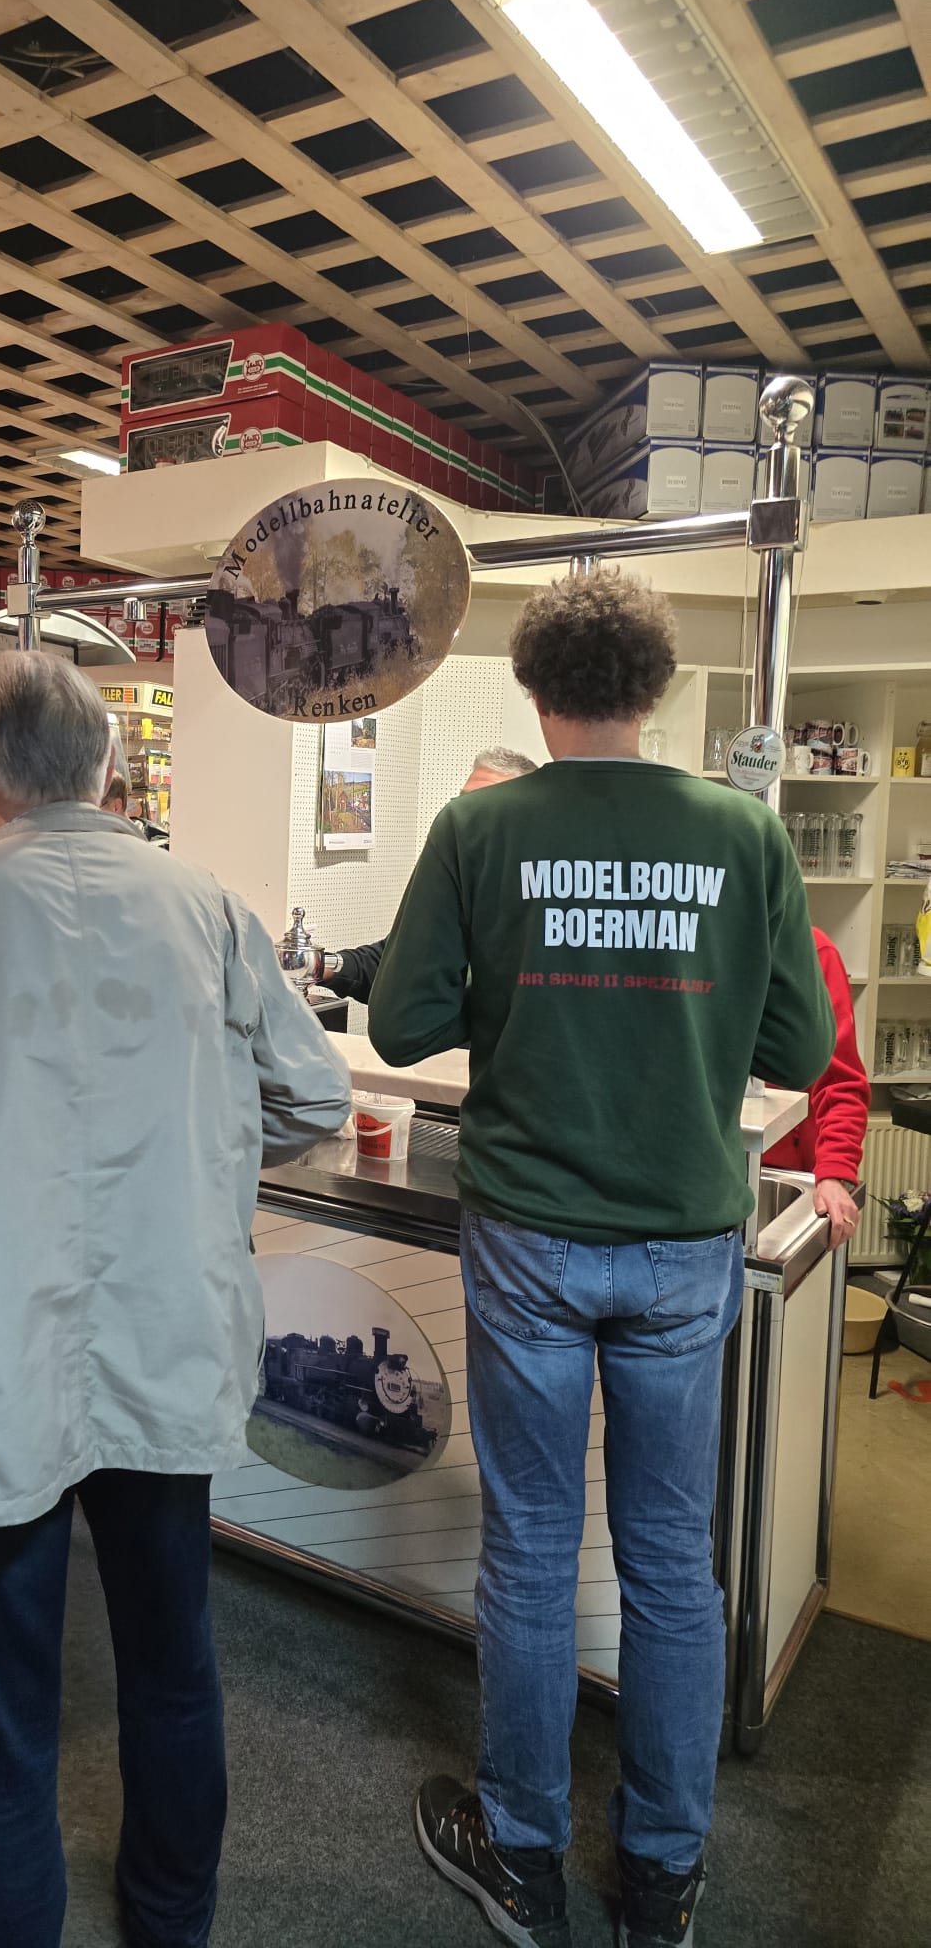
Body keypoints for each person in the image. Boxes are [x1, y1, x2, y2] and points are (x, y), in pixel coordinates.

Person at [0, 650, 351, 1948]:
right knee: (172, 1662)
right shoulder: (207, 907)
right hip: (169, 1341)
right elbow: (315, 1098)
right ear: (110, 767)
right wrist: (205, 1164)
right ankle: (173, 1921)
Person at [368, 571, 835, 1948]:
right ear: (656, 689)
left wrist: (520, 994)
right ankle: (665, 1875)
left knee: (528, 1548)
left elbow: (400, 1026)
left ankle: (523, 1857)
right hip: (687, 1238)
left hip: (529, 1233)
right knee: (670, 1563)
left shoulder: (480, 827)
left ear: (534, 687)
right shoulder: (743, 835)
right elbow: (800, 1054)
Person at [300, 748, 539, 1004]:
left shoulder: (539, 900)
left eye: (485, 807)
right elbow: (401, 963)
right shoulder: (457, 882)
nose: (466, 819)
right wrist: (314, 963)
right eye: (464, 805)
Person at [764, 927, 869, 1249]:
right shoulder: (682, 948)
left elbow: (840, 1082)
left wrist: (834, 1171)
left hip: (784, 1172)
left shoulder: (811, 953)